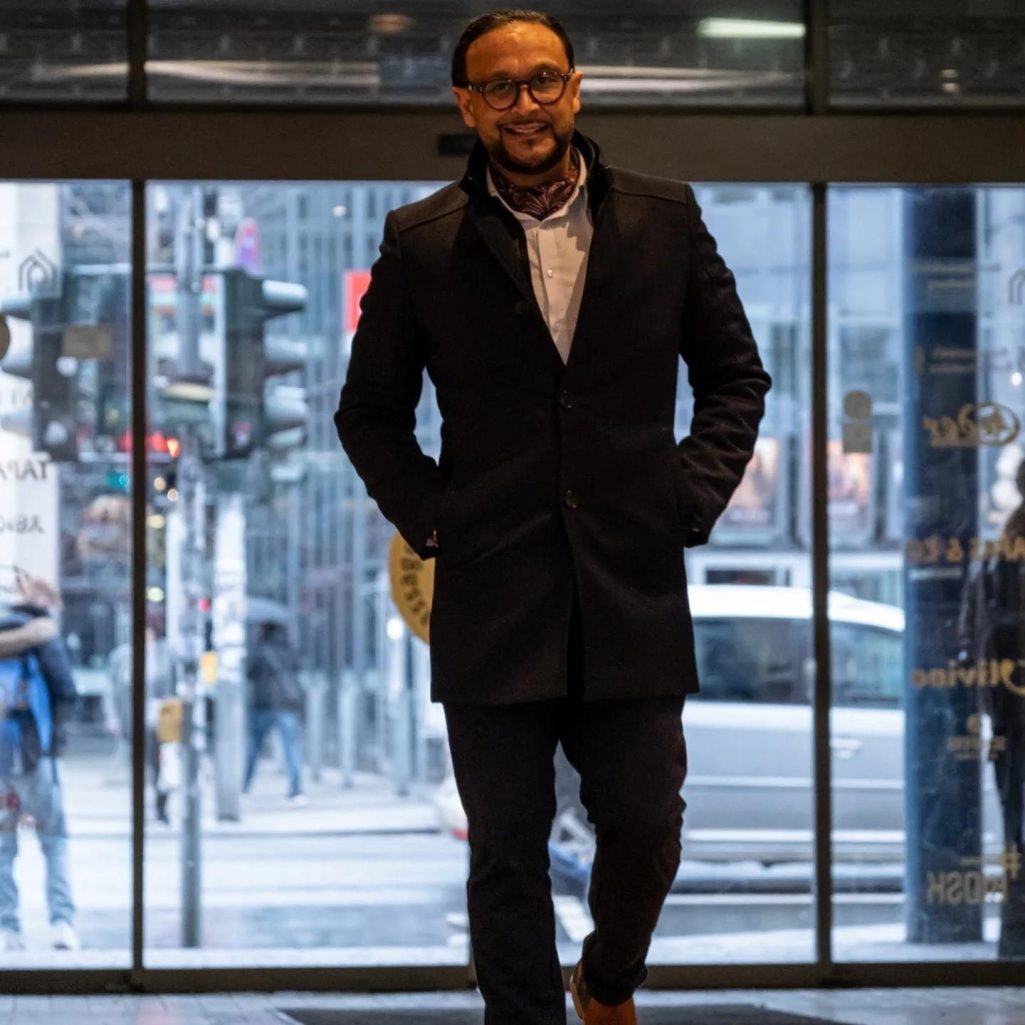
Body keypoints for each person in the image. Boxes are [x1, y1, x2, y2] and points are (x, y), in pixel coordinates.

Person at [335, 9, 770, 1023]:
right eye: (499, 86)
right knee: (505, 850)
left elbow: (734, 378)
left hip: (631, 586)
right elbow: (368, 413)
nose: (523, 103)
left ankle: (606, 978)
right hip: (492, 594)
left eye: (542, 80)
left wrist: (686, 496)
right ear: (466, 104)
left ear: (573, 89)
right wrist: (436, 520)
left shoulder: (663, 217)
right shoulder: (424, 239)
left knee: (645, 821)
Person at [958, 459, 1025, 958]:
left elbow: (974, 634)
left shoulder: (999, 551)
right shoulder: (1004, 555)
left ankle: (1015, 938)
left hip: (1007, 717)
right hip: (1013, 714)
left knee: (1016, 837)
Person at [0, 573, 79, 951]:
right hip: (36, 758)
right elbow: (67, 691)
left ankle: (8, 928)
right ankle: (62, 923)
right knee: (54, 840)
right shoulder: (43, 638)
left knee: (3, 846)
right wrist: (54, 742)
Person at [242, 621, 306, 803]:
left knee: (254, 747)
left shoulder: (259, 651)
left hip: (262, 704)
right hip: (286, 704)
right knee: (291, 748)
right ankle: (297, 790)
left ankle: (244, 787)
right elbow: (297, 669)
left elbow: (249, 673)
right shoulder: (289, 650)